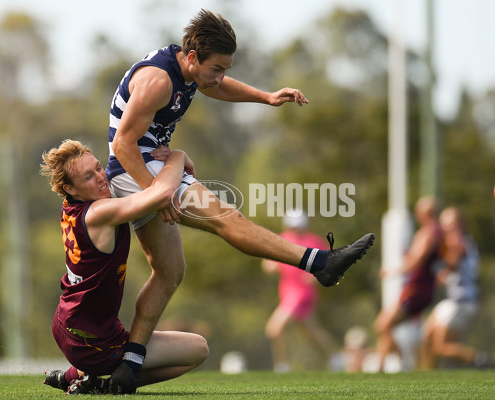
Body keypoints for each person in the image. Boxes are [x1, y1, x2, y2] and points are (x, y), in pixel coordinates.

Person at [105, 9, 375, 393]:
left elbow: (215, 87)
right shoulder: (157, 80)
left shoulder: (188, 71)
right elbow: (121, 145)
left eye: (225, 68)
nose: (220, 76)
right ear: (193, 55)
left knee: (169, 272)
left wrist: (266, 97)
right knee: (226, 218)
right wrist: (154, 191)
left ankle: (128, 367)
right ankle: (320, 263)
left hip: (149, 170)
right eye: (217, 67)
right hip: (136, 172)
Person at [40, 140, 209, 394]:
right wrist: (177, 157)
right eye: (88, 176)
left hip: (68, 322)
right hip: (92, 340)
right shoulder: (99, 213)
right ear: (69, 188)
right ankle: (105, 385)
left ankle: (76, 376)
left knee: (181, 349)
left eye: (98, 168)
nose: (100, 177)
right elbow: (161, 195)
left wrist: (148, 159)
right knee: (198, 349)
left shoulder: (71, 206)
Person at [262, 209, 338, 372]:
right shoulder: (282, 239)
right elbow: (267, 264)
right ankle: (335, 357)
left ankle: (282, 366)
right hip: (287, 292)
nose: (294, 229)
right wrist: (271, 264)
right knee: (310, 331)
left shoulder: (314, 241)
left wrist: (316, 277)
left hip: (302, 293)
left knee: (274, 328)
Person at [374, 196, 442, 372]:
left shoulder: (429, 233)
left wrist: (393, 271)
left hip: (416, 290)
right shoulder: (433, 232)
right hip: (418, 288)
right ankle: (384, 366)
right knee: (385, 326)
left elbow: (417, 262)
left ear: (424, 213)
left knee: (384, 324)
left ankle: (401, 362)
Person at [420, 207, 489, 369]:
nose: (446, 230)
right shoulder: (461, 242)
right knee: (426, 337)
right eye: (444, 226)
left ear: (461, 225)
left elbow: (450, 264)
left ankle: (480, 359)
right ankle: (428, 377)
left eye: (451, 225)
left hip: (461, 302)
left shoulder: (457, 243)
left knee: (440, 346)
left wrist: (430, 261)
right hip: (453, 301)